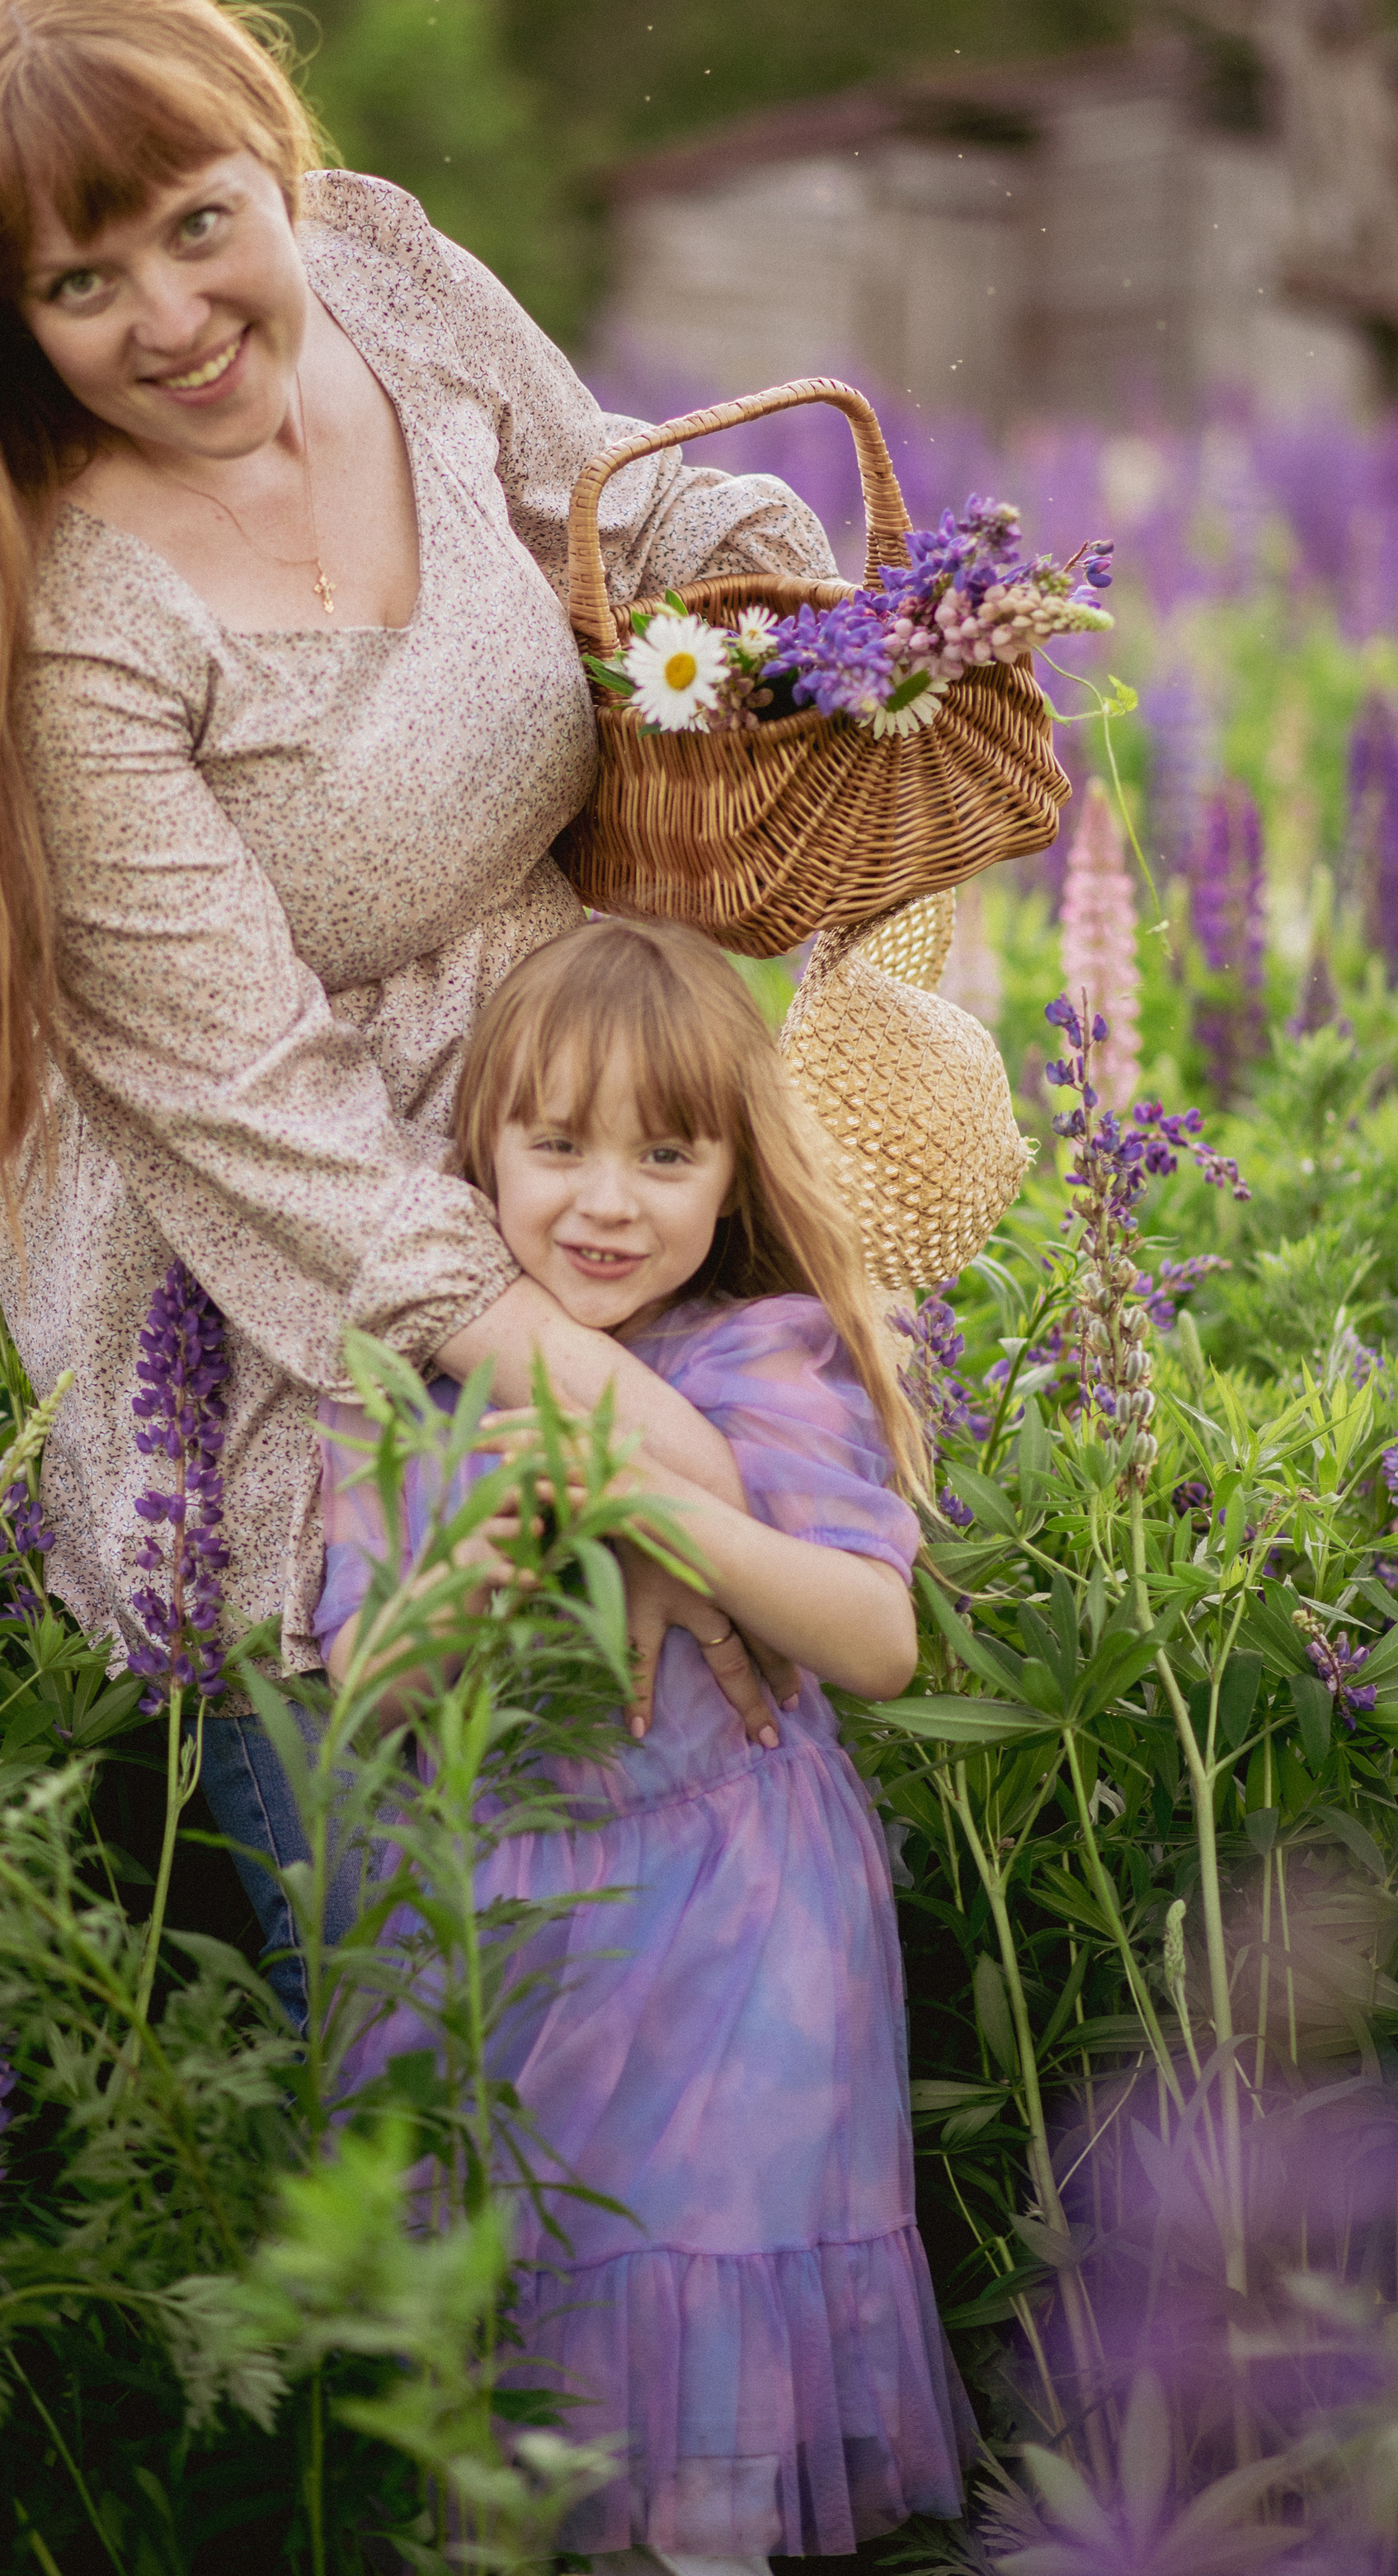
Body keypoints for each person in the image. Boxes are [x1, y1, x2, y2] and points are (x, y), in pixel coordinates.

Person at [0, 0, 840, 2020]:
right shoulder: (66, 618)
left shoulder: (381, 274)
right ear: (6, 325)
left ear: (274, 169)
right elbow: (243, 1101)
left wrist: (792, 588)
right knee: (450, 1958)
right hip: (297, 1284)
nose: (173, 321)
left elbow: (602, 498)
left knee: (727, 1883)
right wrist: (602, 1410)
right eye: (81, 287)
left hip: (590, 1125)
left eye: (198, 227)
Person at [316, 918, 973, 2574]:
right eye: (556, 1147)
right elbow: (362, 1682)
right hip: (504, 1940)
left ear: (732, 1172)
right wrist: (500, 1546)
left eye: (664, 1155)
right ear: (479, 1153)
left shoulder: (764, 1358)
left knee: (703, 2424)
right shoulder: (428, 1388)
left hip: (740, 1930)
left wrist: (652, 1508)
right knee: (502, 2395)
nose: (605, 1202)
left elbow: (875, 1641)